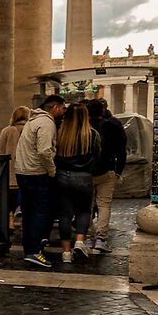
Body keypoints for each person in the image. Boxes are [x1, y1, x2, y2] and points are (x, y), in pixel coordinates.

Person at [12, 96, 63, 269]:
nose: (63, 112)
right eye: (62, 108)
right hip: (37, 172)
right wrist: (52, 169)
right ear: (55, 107)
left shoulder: (32, 121)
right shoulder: (47, 123)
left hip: (23, 171)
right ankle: (34, 250)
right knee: (40, 212)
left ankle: (30, 249)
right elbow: (44, 150)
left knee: (29, 212)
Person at [53, 100, 105, 263]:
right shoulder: (92, 134)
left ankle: (66, 253)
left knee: (65, 214)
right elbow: (98, 156)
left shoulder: (60, 134)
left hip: (62, 176)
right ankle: (80, 241)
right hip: (83, 176)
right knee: (83, 210)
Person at [92, 107, 128, 245]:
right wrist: (119, 170)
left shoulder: (83, 127)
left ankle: (87, 235)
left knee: (85, 206)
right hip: (107, 169)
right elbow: (121, 150)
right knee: (104, 205)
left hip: (86, 171)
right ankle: (101, 237)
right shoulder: (113, 126)